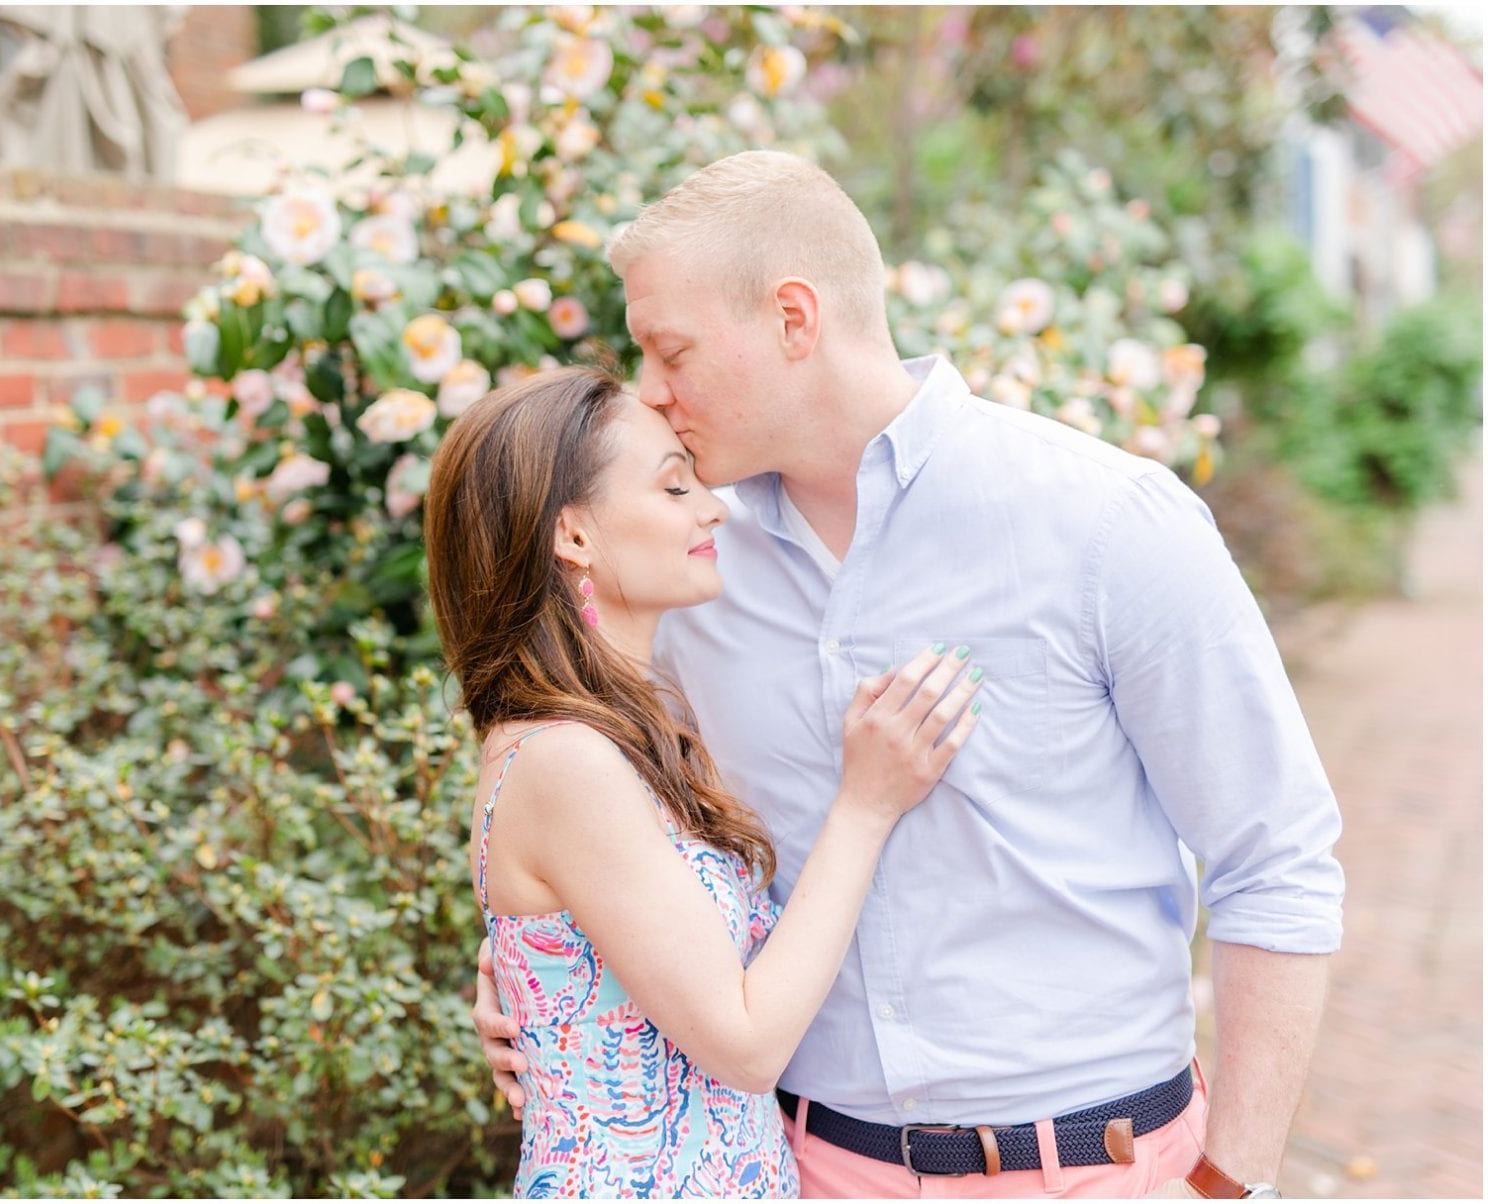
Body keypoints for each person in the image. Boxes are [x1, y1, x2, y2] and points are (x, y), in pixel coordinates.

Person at [470, 151, 1345, 1199]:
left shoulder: (1107, 524)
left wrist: (1230, 1182)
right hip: (809, 1169)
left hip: (1100, 1172)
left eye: (672, 351)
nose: (653, 390)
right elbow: (614, 829)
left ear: (794, 318)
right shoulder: (688, 567)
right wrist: (539, 976)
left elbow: (1276, 859)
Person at [424, 366, 987, 1197]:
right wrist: (867, 805)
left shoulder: (615, 726)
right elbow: (747, 1043)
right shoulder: (567, 756)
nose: (712, 507)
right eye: (674, 485)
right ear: (573, 534)